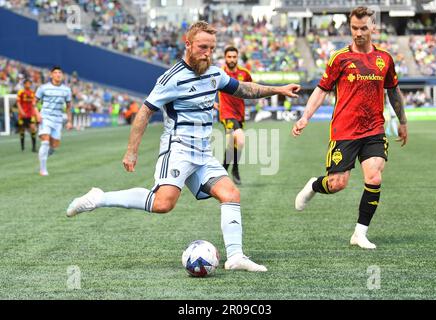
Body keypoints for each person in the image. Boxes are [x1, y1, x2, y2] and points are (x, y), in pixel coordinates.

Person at [67, 21, 301, 272]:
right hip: (178, 149)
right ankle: (99, 198)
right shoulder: (171, 79)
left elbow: (243, 89)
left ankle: (235, 257)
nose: (208, 53)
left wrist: (278, 89)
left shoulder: (215, 74)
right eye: (202, 47)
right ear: (187, 44)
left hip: (203, 151)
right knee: (163, 204)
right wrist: (131, 150)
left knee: (231, 194)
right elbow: (144, 112)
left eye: (212, 48)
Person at [292, 7, 408, 249]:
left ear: (374, 28)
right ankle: (315, 184)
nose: (358, 33)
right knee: (337, 184)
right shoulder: (339, 58)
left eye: (363, 28)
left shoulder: (385, 59)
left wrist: (403, 121)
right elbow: (321, 90)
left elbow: (393, 90)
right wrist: (305, 117)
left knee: (374, 176)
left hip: (375, 128)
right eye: (354, 28)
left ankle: (360, 233)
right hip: (344, 131)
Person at [214, 46, 252, 185]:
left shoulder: (245, 73)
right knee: (240, 139)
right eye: (229, 57)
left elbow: (251, 89)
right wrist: (212, 103)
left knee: (232, 144)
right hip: (226, 113)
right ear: (225, 58)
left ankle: (223, 172)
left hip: (239, 113)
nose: (231, 59)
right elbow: (206, 88)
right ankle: (234, 169)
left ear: (237, 57)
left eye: (234, 57)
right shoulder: (219, 73)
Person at [36, 66, 73, 176]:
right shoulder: (43, 88)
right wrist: (37, 114)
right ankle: (43, 169)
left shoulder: (66, 90)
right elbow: (34, 103)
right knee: (45, 141)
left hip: (58, 119)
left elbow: (68, 106)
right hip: (45, 117)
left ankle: (45, 155)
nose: (58, 74)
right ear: (51, 75)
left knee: (54, 146)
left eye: (59, 73)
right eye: (55, 73)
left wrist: (69, 121)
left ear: (62, 75)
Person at [17, 79, 40, 152]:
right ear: (24, 84)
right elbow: (18, 103)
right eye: (26, 83)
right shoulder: (21, 92)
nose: (28, 85)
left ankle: (33, 148)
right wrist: (21, 111)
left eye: (29, 83)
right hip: (22, 114)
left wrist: (36, 113)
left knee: (33, 128)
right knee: (22, 130)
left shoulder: (32, 93)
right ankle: (22, 147)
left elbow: (34, 103)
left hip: (31, 114)